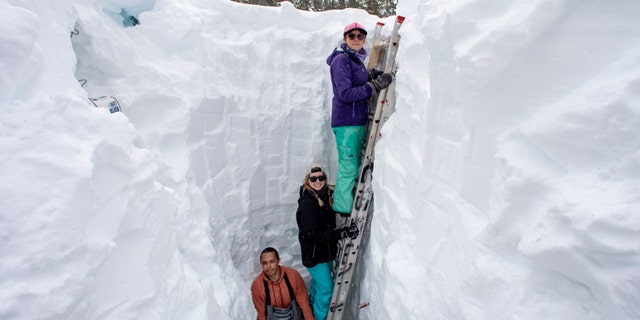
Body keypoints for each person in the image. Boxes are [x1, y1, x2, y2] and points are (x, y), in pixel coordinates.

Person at [326, 22, 394, 215]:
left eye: (360, 36)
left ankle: (345, 205)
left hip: (355, 121)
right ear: (345, 38)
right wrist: (373, 86)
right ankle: (342, 211)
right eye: (352, 36)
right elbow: (345, 93)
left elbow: (353, 81)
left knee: (352, 166)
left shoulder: (354, 59)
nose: (356, 39)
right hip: (347, 122)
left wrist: (369, 77)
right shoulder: (341, 59)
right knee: (348, 168)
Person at [296, 165, 359, 320]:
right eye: (313, 178)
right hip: (315, 257)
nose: (318, 181)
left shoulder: (325, 195)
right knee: (327, 290)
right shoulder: (307, 204)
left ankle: (309, 312)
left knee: (319, 287)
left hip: (326, 254)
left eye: (321, 177)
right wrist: (342, 233)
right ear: (307, 180)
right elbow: (313, 235)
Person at [251, 247, 315, 320]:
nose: (268, 267)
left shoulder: (293, 275)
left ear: (278, 261)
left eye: (272, 261)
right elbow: (261, 315)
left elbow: (304, 305)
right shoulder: (257, 285)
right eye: (264, 263)